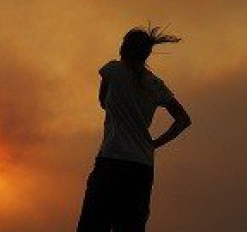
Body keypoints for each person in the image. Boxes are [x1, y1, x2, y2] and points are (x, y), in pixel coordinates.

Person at [74, 27, 192, 232]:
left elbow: (102, 102)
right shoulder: (155, 84)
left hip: (111, 161)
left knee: (93, 225)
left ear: (123, 47)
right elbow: (183, 120)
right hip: (141, 167)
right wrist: (154, 143)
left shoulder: (112, 70)